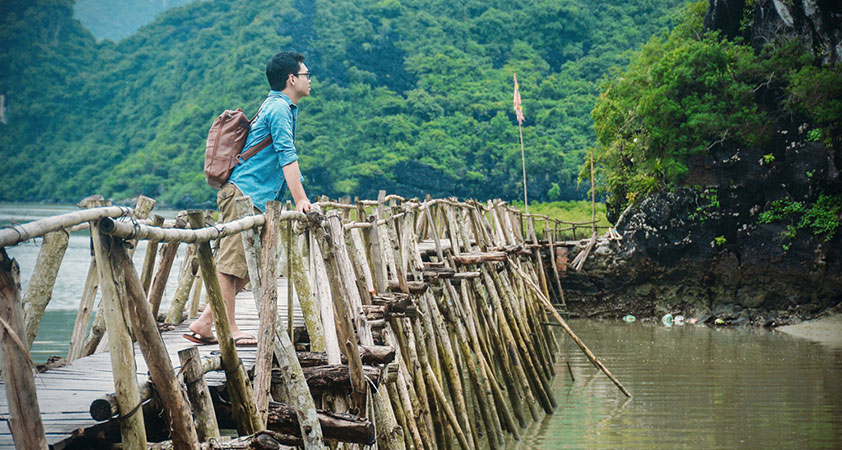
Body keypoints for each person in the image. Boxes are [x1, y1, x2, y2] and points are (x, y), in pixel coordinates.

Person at [184, 51, 313, 346]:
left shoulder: (279, 106)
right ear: (291, 79)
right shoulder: (278, 108)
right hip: (244, 194)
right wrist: (301, 199)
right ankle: (229, 329)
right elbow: (286, 155)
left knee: (247, 265)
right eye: (306, 75)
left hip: (254, 196)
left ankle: (206, 322)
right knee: (232, 264)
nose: (309, 80)